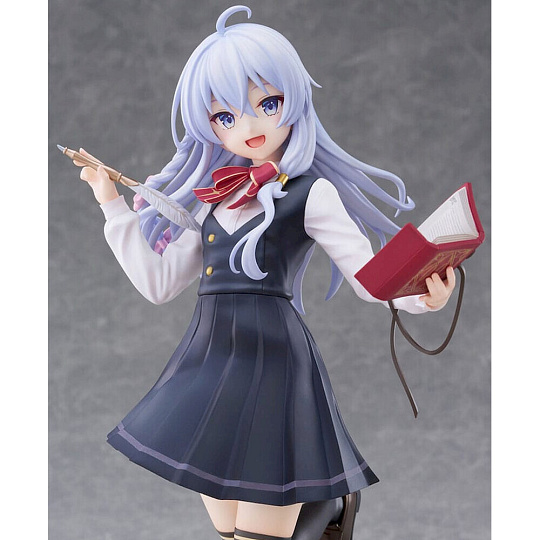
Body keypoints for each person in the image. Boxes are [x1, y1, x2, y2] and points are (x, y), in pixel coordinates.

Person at [76, 6, 455, 540]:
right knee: (227, 525)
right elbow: (159, 285)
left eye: (267, 104)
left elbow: (366, 274)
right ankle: (322, 509)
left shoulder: (311, 194)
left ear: (293, 100)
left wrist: (419, 295)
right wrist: (111, 204)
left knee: (260, 530)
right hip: (210, 364)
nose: (249, 127)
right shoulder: (213, 201)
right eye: (225, 117)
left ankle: (324, 506)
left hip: (274, 363)